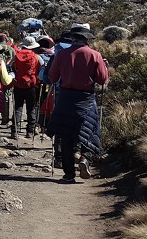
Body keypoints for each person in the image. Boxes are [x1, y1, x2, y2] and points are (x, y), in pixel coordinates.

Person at [47, 25, 109, 183]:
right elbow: (102, 79)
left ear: (73, 38)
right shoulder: (95, 55)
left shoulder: (61, 54)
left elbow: (52, 78)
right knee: (90, 131)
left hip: (65, 99)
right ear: (86, 39)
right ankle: (85, 158)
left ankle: (69, 174)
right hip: (86, 99)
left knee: (66, 136)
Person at [11, 35, 41, 137]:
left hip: (18, 84)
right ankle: (30, 131)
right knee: (31, 108)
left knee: (18, 107)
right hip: (31, 85)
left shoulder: (16, 55)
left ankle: (14, 130)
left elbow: (9, 66)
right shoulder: (36, 56)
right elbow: (42, 67)